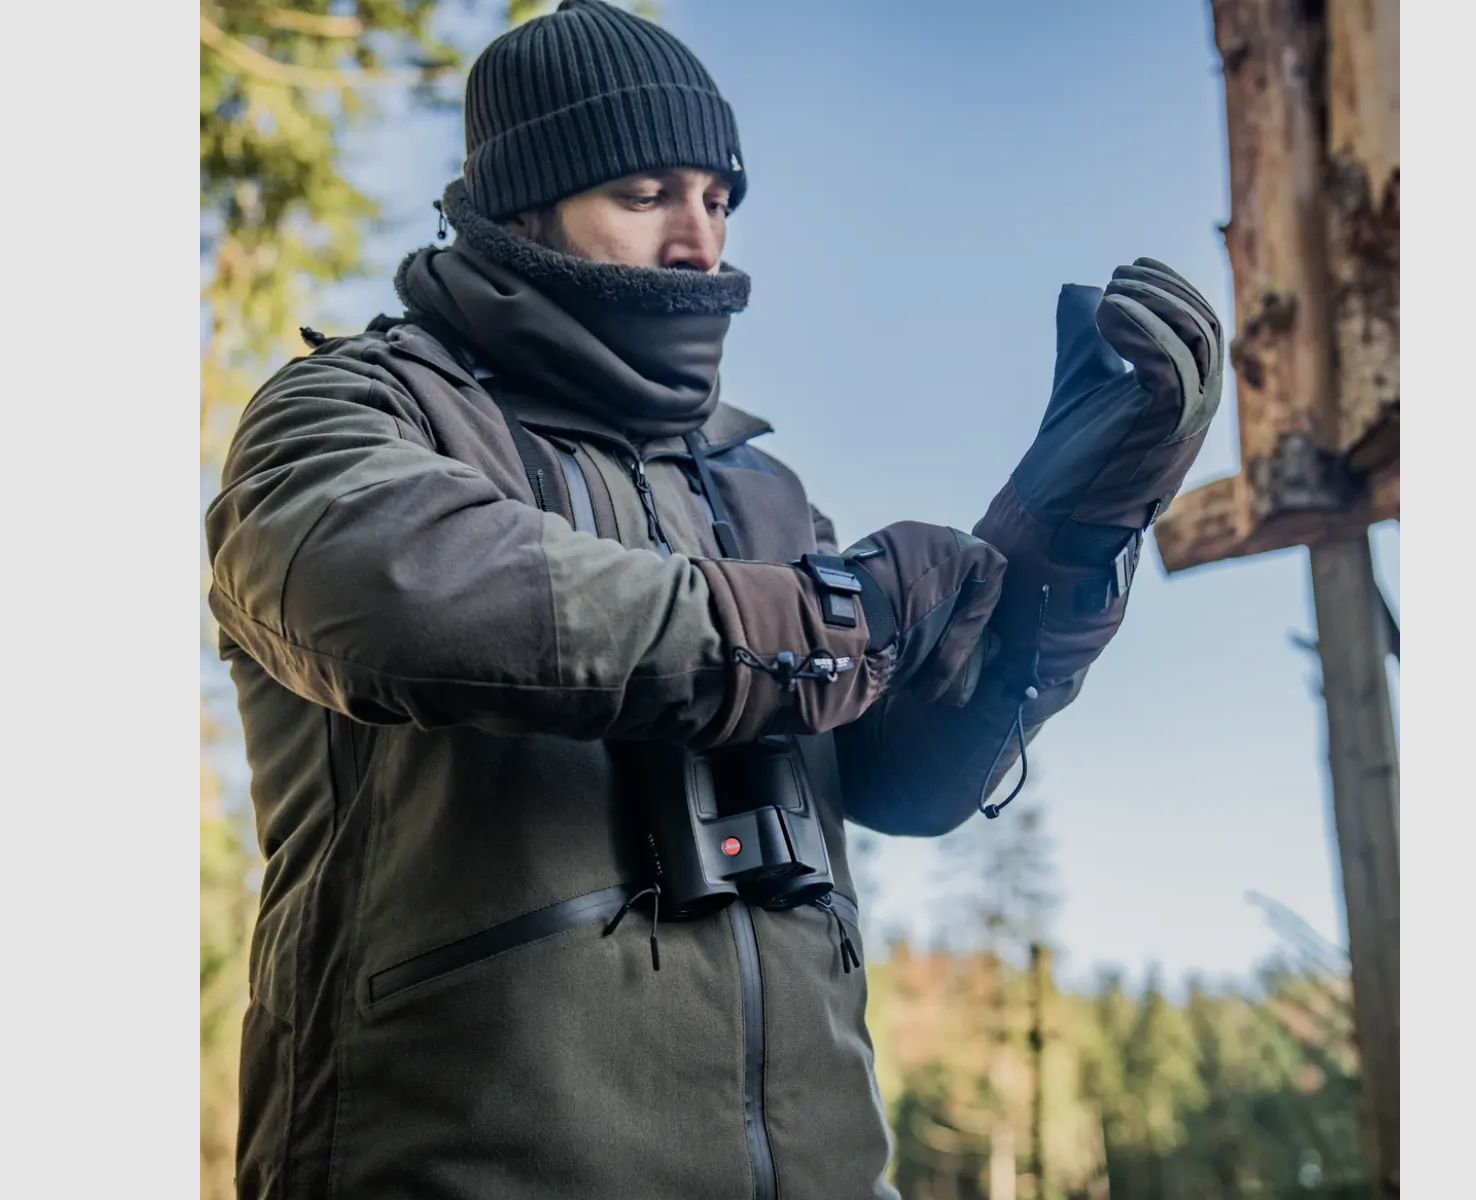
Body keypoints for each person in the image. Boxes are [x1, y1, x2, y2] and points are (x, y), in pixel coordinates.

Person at [205, 2, 1221, 1197]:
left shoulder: (761, 492)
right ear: (521, 206)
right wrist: (832, 617)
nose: (698, 240)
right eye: (644, 195)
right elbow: (405, 598)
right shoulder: (351, 413)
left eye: (718, 198)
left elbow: (904, 776)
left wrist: (1064, 544)